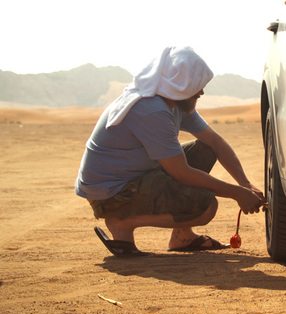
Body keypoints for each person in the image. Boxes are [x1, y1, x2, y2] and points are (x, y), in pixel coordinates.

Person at [75, 46, 265, 257]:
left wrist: (245, 184)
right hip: (112, 194)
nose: (201, 92)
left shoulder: (176, 103)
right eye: (196, 86)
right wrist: (237, 194)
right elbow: (180, 172)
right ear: (180, 85)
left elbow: (215, 142)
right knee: (205, 207)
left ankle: (182, 236)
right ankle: (122, 222)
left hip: (134, 179)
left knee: (205, 150)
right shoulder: (151, 109)